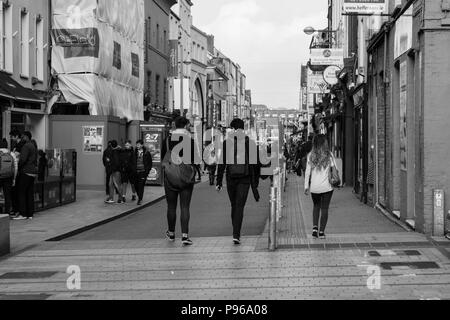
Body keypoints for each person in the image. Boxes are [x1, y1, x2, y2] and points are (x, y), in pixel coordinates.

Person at [216, 119, 261, 245]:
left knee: (234, 205)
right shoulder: (250, 143)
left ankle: (235, 231)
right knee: (240, 206)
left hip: (231, 178)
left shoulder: (227, 143)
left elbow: (222, 162)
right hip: (245, 178)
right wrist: (256, 181)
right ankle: (236, 234)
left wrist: (218, 181)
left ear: (233, 129)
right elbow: (256, 163)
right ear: (243, 128)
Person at [162, 116, 198, 246]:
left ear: (174, 125)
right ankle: (184, 236)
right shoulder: (190, 140)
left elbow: (163, 159)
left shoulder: (167, 140)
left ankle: (171, 233)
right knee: (185, 206)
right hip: (186, 177)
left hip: (170, 176)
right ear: (186, 125)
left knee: (171, 206)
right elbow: (196, 159)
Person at [304, 134, 337, 240]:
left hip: (314, 187)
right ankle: (321, 232)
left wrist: (306, 186)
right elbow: (335, 168)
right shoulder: (329, 155)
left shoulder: (310, 155)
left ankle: (314, 229)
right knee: (325, 208)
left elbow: (307, 172)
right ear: (325, 143)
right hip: (327, 187)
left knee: (316, 206)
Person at [14, 132, 38, 220]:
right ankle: (30, 214)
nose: (22, 138)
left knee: (21, 192)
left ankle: (23, 214)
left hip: (26, 171)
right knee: (29, 193)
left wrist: (18, 167)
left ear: (27, 137)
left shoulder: (26, 146)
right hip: (32, 172)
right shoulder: (33, 146)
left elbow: (23, 159)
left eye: (23, 136)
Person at [0, 139, 18, 218]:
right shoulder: (11, 154)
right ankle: (7, 213)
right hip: (8, 177)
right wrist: (14, 179)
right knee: (7, 196)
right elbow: (15, 167)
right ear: (7, 145)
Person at [133, 140, 153, 206]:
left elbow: (150, 163)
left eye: (138, 144)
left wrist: (147, 171)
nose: (137, 146)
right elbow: (132, 161)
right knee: (136, 185)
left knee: (141, 185)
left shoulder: (147, 153)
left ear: (142, 145)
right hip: (136, 172)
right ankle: (140, 196)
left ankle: (140, 199)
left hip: (143, 172)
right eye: (136, 144)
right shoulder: (134, 152)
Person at [105, 140, 123, 204]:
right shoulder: (116, 150)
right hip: (113, 171)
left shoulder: (116, 151)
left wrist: (109, 162)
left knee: (117, 185)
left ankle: (121, 199)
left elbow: (116, 162)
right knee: (111, 184)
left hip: (116, 171)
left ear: (111, 146)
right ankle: (111, 198)